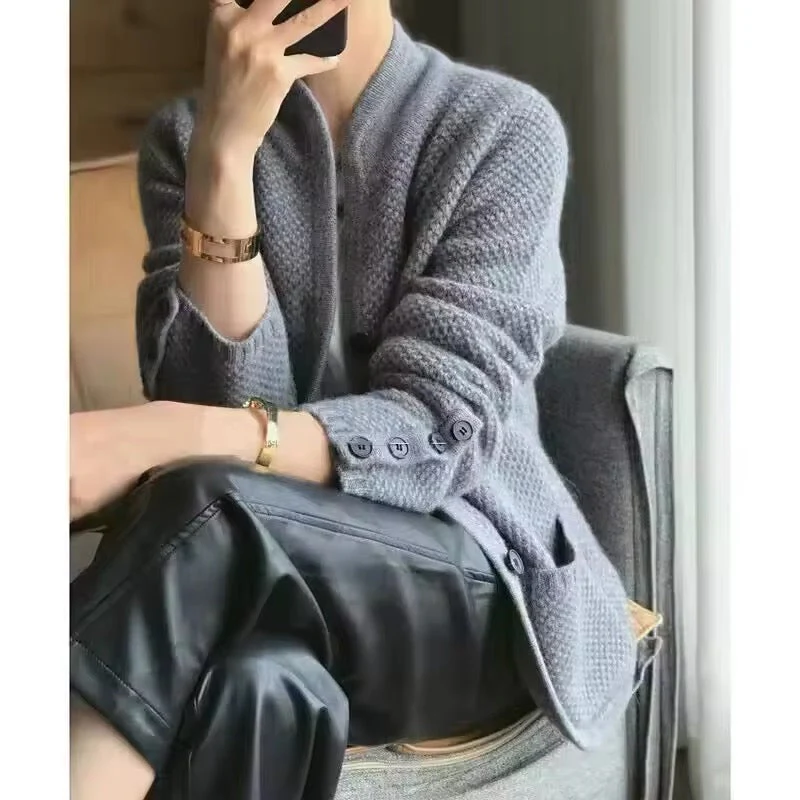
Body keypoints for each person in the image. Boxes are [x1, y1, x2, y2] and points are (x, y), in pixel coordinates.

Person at [69, 1, 640, 798]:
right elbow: (225, 415)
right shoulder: (188, 138)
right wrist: (225, 159)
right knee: (258, 685)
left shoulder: (500, 128)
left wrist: (159, 432)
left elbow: (435, 431)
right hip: (253, 576)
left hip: (473, 588)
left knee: (210, 507)